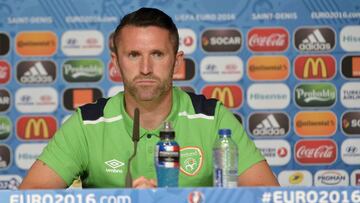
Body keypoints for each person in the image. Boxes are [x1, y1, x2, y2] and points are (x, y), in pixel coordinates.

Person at [19, 7, 279, 189]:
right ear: (115, 62)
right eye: (133, 55)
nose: (145, 68)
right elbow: (31, 194)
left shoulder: (212, 118)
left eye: (157, 54)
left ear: (177, 62)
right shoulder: (87, 124)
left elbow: (267, 194)